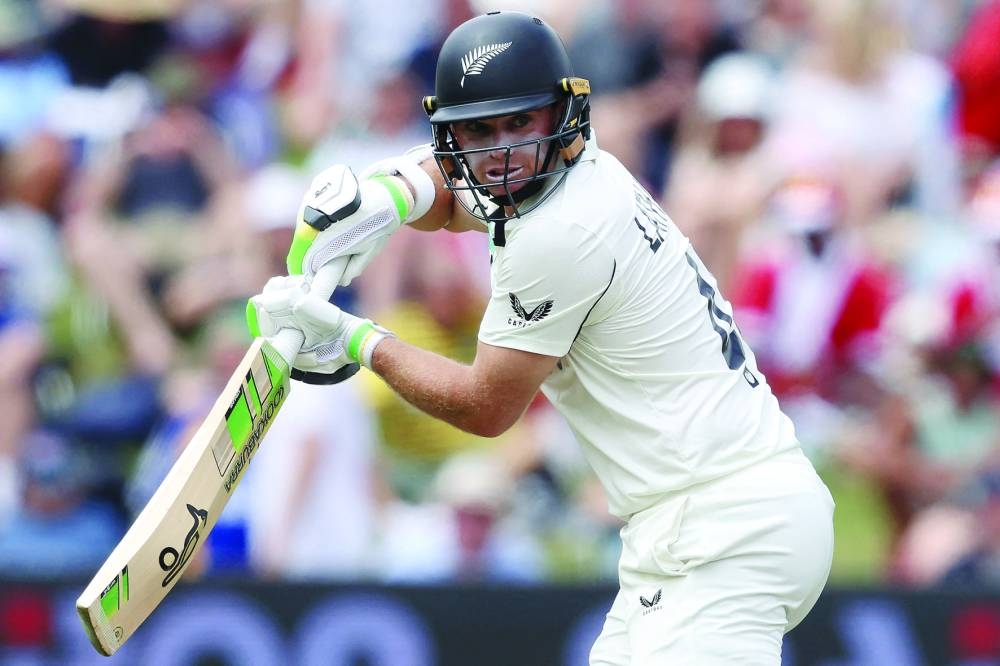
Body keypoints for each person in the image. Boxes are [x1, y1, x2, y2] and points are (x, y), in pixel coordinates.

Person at [248, 11, 834, 664]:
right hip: (703, 523)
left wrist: (357, 342)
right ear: (451, 136)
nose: (500, 151)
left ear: (560, 116)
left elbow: (486, 406)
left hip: (727, 529)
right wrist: (388, 195)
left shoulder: (561, 233)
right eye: (479, 129)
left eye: (518, 122)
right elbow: (455, 196)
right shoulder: (577, 173)